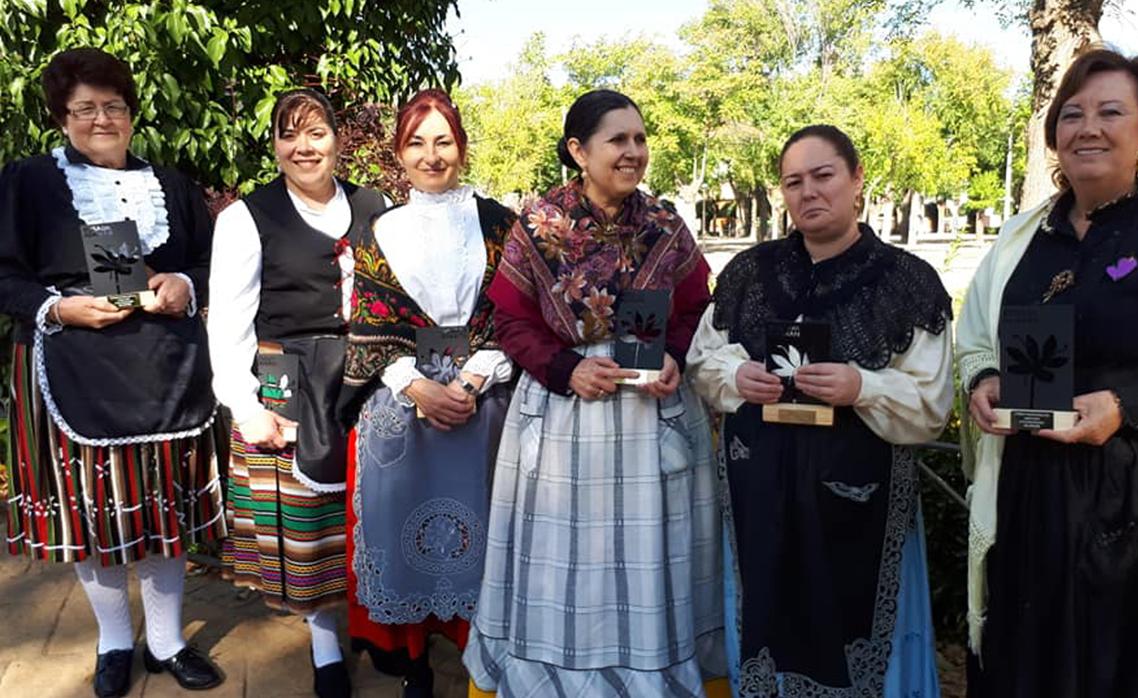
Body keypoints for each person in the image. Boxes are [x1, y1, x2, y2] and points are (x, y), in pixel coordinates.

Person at [957, 47, 1138, 697]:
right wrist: (982, 382)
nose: (1087, 127)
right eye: (1071, 113)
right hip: (1028, 491)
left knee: (1132, 671)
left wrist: (1126, 406)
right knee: (1026, 666)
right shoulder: (1017, 241)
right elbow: (975, 340)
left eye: (1110, 111)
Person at [461, 89, 727, 697]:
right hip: (565, 419)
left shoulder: (665, 225)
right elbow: (512, 324)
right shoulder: (537, 227)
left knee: (653, 557)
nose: (633, 152)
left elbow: (694, 311)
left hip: (652, 413)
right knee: (566, 566)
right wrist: (564, 370)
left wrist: (673, 357)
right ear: (579, 151)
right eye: (618, 140)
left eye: (639, 139)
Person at [686, 124, 951, 696]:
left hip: (863, 506)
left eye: (823, 176)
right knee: (764, 633)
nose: (808, 192)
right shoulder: (748, 275)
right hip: (762, 498)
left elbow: (931, 403)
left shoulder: (907, 282)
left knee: (858, 655)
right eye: (793, 182)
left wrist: (863, 385)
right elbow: (702, 362)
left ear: (857, 180)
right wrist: (738, 376)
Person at [0, 48, 225, 697]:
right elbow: (3, 276)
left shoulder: (174, 187)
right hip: (70, 370)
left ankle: (166, 640)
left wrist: (185, 282)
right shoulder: (29, 182)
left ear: (131, 113)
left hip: (163, 376)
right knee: (93, 520)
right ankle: (115, 641)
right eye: (85, 109)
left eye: (114, 106)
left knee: (162, 515)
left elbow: (214, 266)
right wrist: (58, 307)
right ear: (62, 117)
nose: (102, 119)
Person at [207, 88, 388, 698]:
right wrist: (245, 404)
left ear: (337, 139)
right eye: (289, 134)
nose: (303, 147)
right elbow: (228, 320)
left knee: (368, 513)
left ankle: (375, 624)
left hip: (364, 378)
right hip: (287, 384)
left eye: (315, 133)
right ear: (276, 145)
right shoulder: (246, 218)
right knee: (311, 525)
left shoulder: (375, 205)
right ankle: (326, 642)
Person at [338, 89, 516, 698]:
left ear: (461, 147)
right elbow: (366, 324)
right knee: (402, 531)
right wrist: (417, 387)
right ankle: (414, 662)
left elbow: (513, 318)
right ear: (399, 151)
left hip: (484, 401)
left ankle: (481, 662)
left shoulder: (501, 225)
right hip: (402, 402)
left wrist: (469, 380)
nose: (431, 155)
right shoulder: (379, 229)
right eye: (417, 142)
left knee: (487, 535)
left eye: (443, 141)